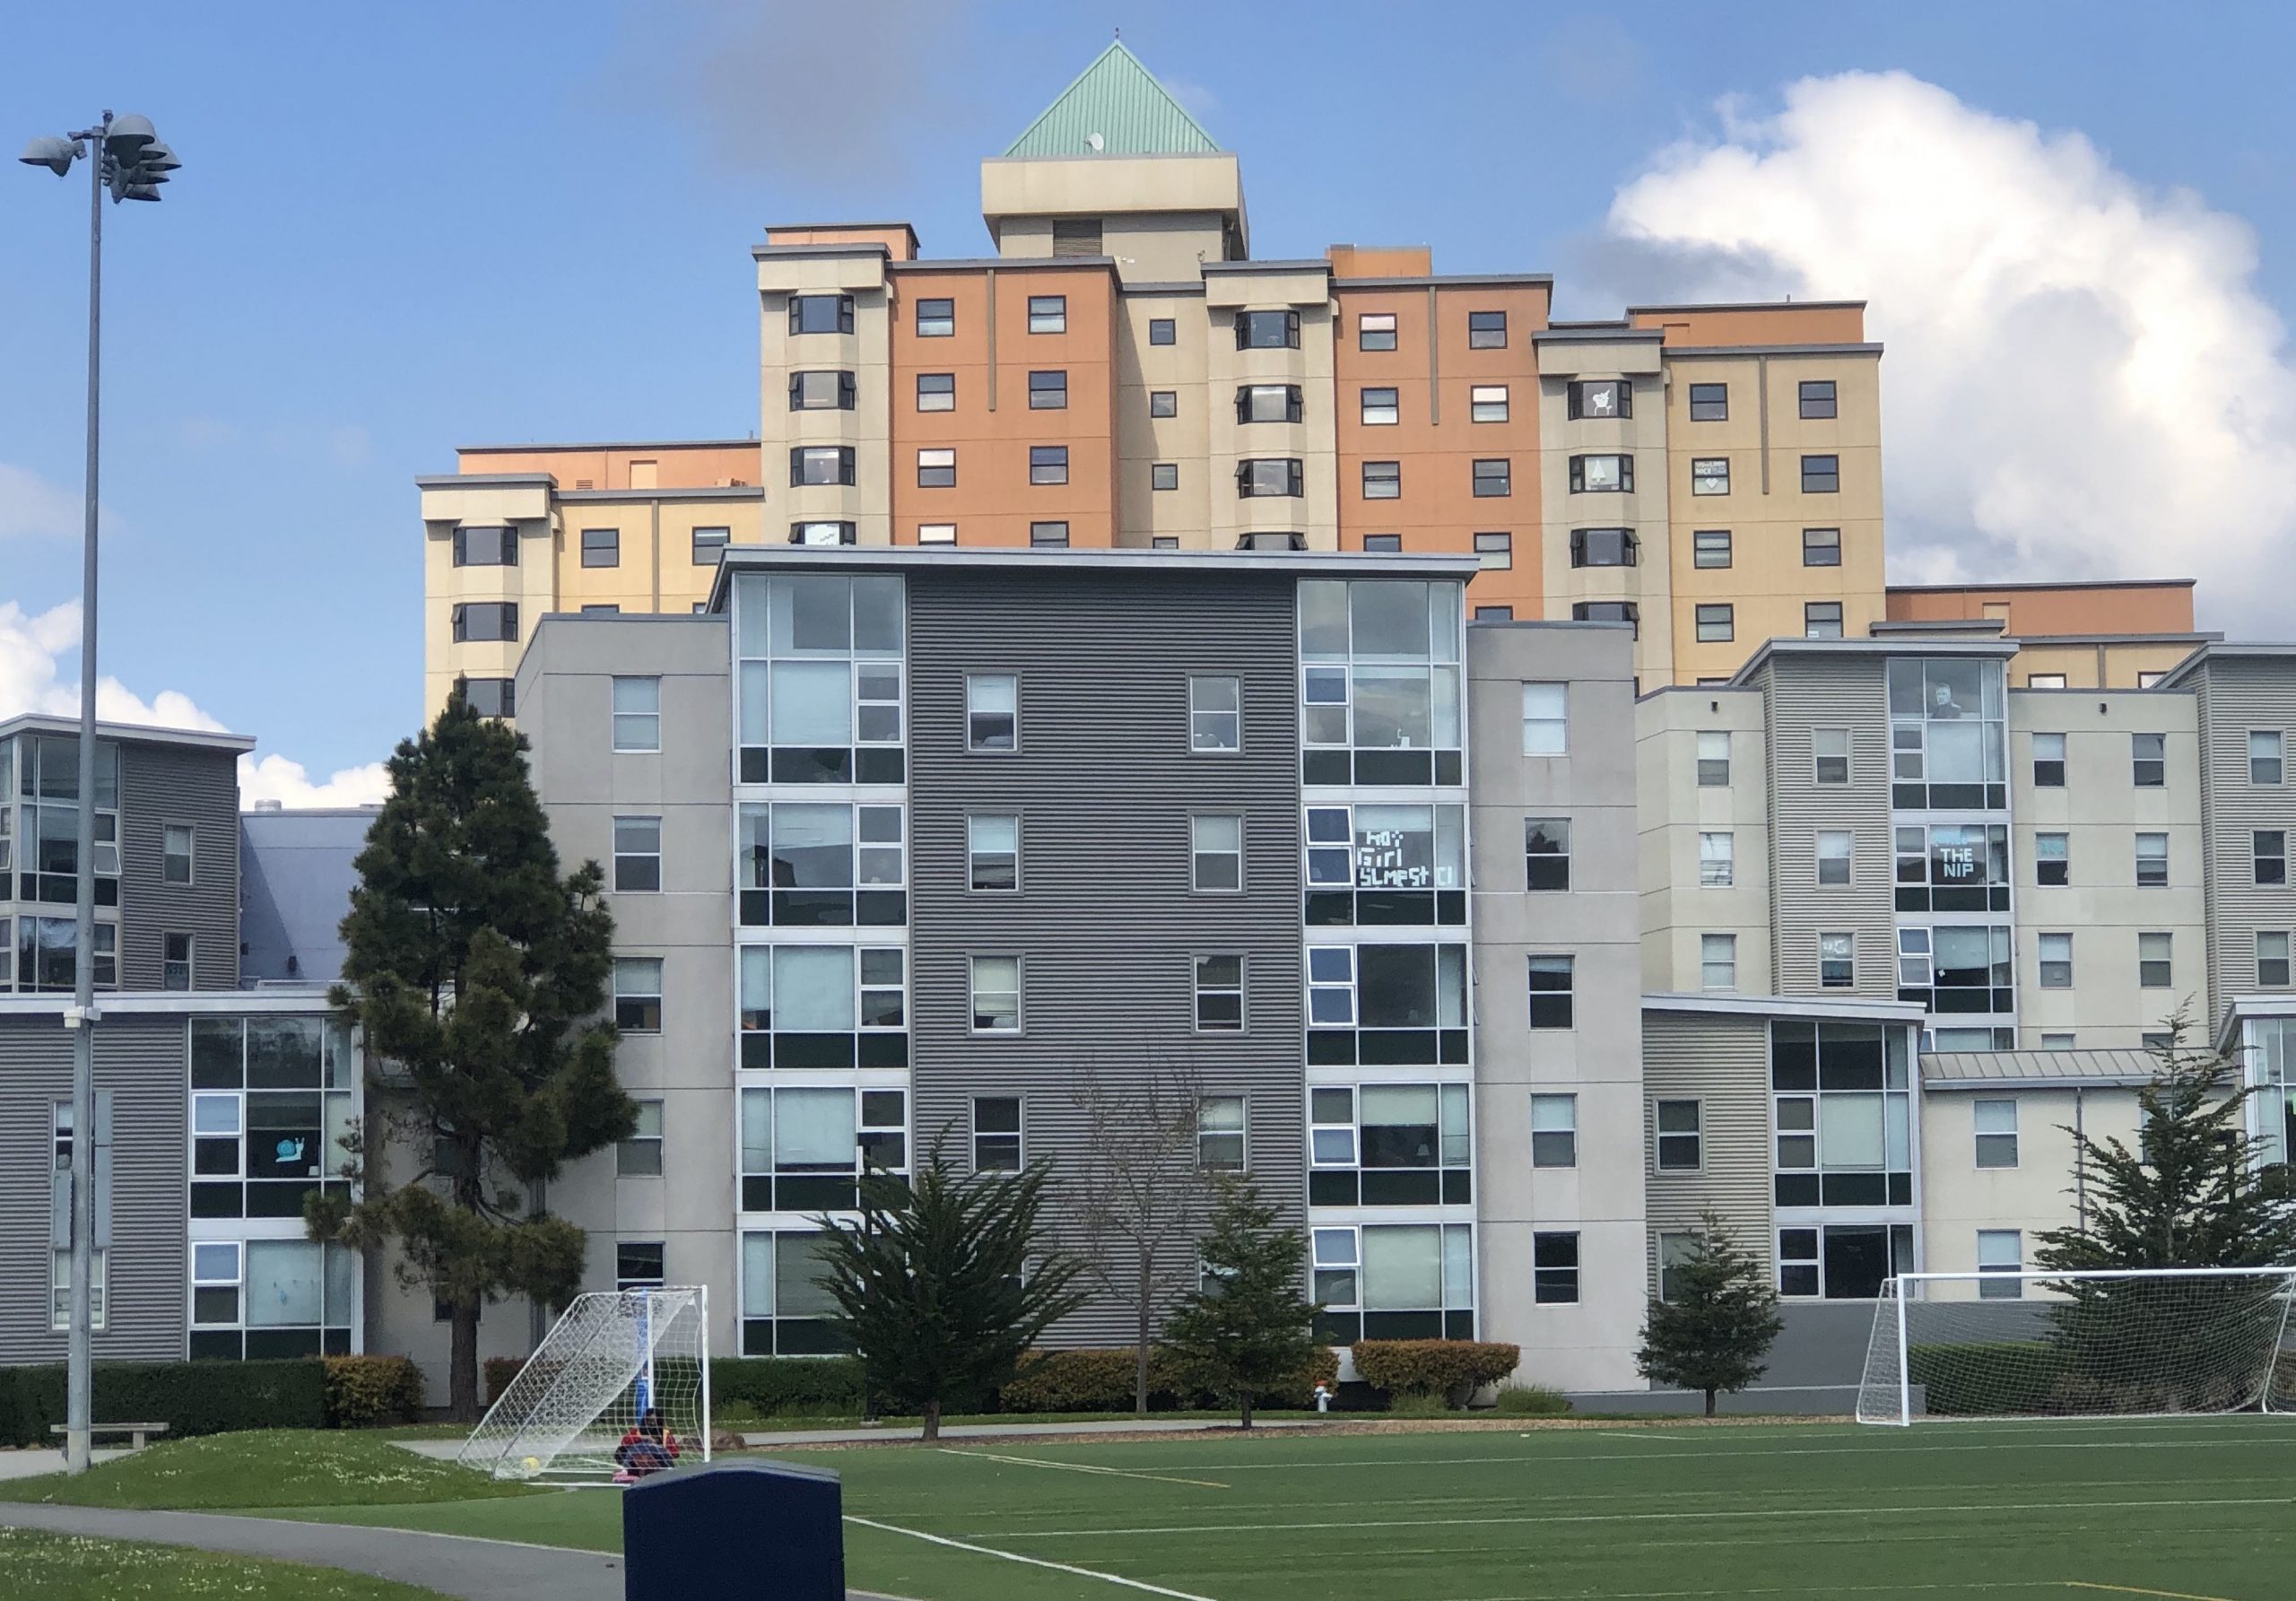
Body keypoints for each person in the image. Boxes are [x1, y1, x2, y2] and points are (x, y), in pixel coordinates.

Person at [613, 1407, 680, 1480]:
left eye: (654, 1421)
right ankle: (628, 1471)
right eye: (649, 1420)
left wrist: (664, 1450)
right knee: (622, 1451)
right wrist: (643, 1437)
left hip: (658, 1462)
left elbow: (675, 1452)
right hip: (638, 1462)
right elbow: (624, 1442)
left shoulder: (666, 1434)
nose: (652, 1423)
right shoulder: (637, 1431)